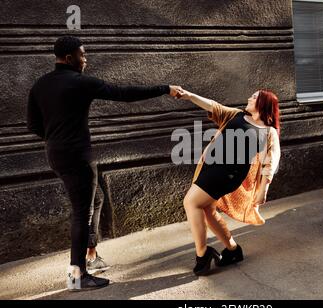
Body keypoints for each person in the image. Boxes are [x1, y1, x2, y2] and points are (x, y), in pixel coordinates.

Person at [26, 36, 181, 291]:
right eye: (82, 55)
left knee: (95, 199)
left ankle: (91, 254)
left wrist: (55, 138)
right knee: (81, 211)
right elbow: (123, 94)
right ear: (69, 58)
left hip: (55, 154)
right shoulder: (79, 82)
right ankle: (78, 276)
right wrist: (165, 88)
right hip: (78, 156)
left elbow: (32, 125)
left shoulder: (40, 85)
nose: (85, 59)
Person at [177, 88, 281, 276]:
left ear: (263, 104)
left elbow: (269, 162)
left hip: (227, 174)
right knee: (208, 211)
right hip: (210, 167)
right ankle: (233, 250)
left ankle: (203, 255)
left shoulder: (269, 132)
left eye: (255, 97)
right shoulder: (237, 115)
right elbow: (213, 106)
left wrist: (263, 190)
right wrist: (189, 96)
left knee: (191, 203)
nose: (249, 97)